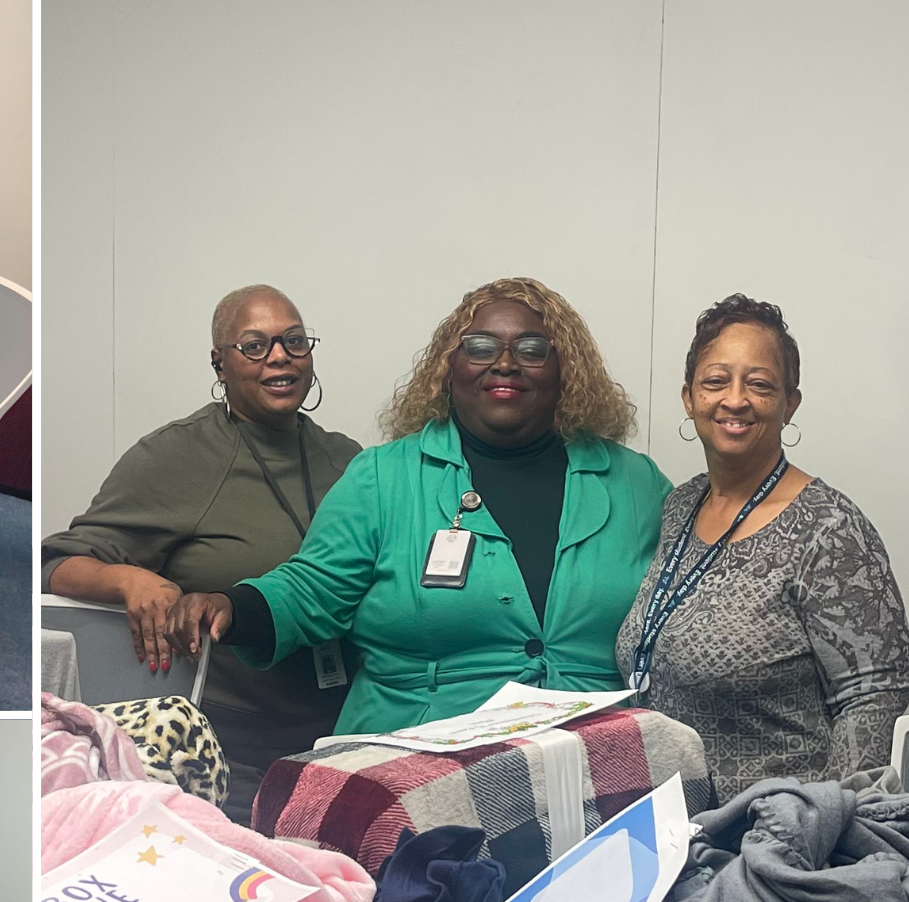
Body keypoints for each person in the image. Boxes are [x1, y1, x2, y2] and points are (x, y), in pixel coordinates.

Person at [170, 277, 672, 735]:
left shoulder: (635, 483)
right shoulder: (383, 477)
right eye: (480, 347)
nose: (505, 363)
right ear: (449, 367)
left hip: (595, 753)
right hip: (414, 751)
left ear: (566, 370)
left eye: (532, 349)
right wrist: (233, 607)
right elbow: (314, 588)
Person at [43, 284, 361, 814]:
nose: (279, 356)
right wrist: (130, 580)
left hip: (344, 727)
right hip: (231, 744)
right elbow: (58, 563)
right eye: (254, 346)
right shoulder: (178, 456)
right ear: (220, 365)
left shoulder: (348, 460)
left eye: (294, 341)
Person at [617, 295, 909, 797]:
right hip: (673, 824)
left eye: (759, 384)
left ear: (789, 403)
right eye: (715, 381)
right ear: (689, 398)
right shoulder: (680, 506)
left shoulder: (829, 529)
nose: (735, 400)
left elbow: (871, 697)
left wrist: (830, 826)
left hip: (774, 833)